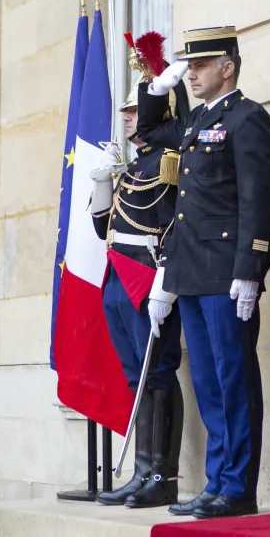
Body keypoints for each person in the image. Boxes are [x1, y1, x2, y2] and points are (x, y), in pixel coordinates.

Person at [136, 26, 270, 519]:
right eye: (188, 67)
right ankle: (218, 482)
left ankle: (238, 488)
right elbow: (151, 133)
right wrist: (158, 88)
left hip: (226, 274)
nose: (191, 74)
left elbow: (260, 200)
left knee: (233, 378)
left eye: (199, 66)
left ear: (228, 67)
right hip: (191, 273)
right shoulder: (197, 121)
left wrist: (251, 267)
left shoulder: (248, 119)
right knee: (209, 384)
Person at [89, 32, 189, 509]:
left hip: (148, 278)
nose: (128, 118)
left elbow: (173, 224)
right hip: (118, 276)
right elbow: (102, 228)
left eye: (134, 111)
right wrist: (102, 182)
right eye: (127, 112)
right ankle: (141, 469)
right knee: (137, 376)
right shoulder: (133, 166)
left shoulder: (170, 159)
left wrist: (163, 284)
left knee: (159, 373)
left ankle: (161, 476)